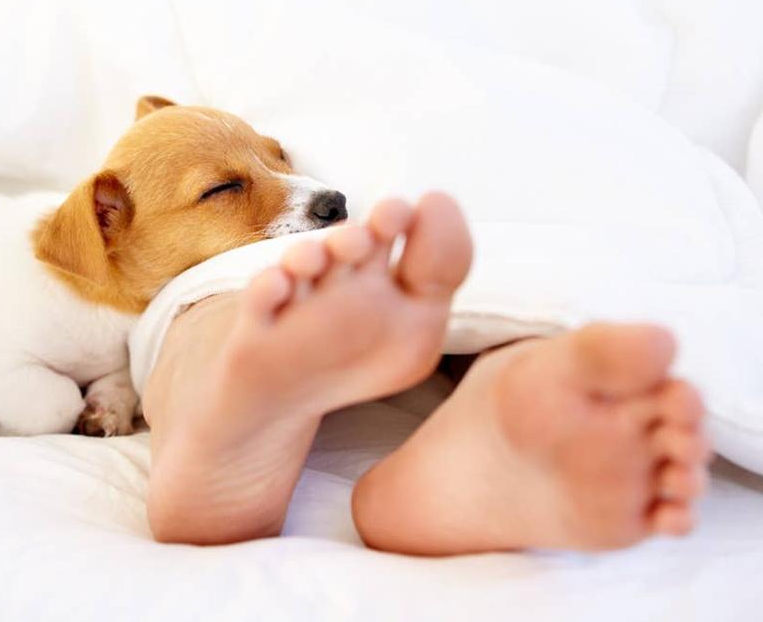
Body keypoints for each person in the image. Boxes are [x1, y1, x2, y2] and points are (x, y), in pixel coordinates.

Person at [140, 193, 711, 555]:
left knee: (538, 324)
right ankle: (237, 382)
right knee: (244, 294)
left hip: (404, 244)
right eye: (223, 188)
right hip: (568, 225)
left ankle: (487, 450)